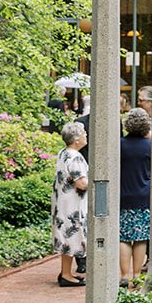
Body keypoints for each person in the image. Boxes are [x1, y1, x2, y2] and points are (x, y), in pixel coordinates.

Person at [53, 122, 88, 287]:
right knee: (71, 236)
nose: (86, 135)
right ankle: (66, 275)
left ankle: (66, 272)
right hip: (73, 204)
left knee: (66, 236)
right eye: (83, 133)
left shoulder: (63, 153)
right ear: (76, 139)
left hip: (63, 202)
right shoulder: (75, 157)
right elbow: (81, 183)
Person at [119, 107, 152, 284]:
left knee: (123, 237)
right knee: (140, 238)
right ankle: (137, 276)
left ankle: (124, 276)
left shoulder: (119, 145)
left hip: (123, 195)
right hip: (143, 195)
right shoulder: (149, 146)